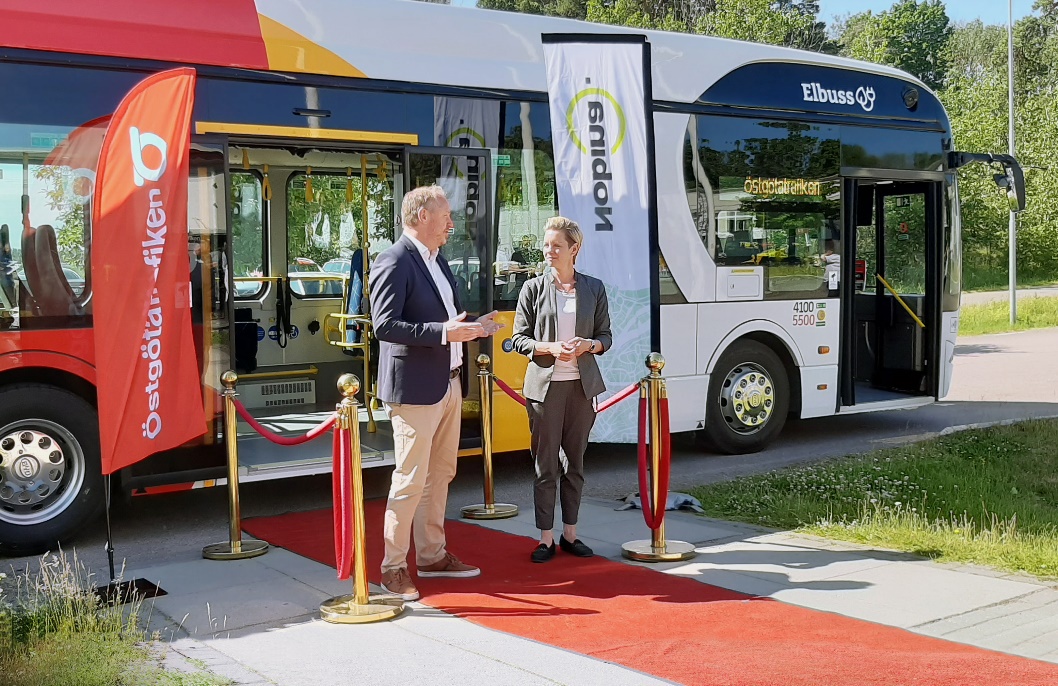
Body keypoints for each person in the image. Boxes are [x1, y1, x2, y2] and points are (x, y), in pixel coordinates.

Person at [370, 185, 503, 601]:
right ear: (421, 216)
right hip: (414, 389)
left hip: (449, 383)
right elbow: (384, 326)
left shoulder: (437, 260)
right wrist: (446, 332)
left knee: (441, 474)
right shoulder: (393, 260)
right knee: (410, 479)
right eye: (445, 216)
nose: (452, 224)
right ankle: (392, 568)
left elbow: (445, 320)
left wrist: (473, 326)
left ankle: (431, 556)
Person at [511, 216, 611, 563]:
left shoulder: (594, 288)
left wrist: (589, 346)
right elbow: (518, 339)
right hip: (545, 391)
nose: (549, 251)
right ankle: (545, 538)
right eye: (546, 244)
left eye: (556, 245)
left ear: (574, 249)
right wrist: (549, 348)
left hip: (582, 389)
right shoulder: (532, 289)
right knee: (545, 467)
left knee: (575, 464)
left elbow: (605, 337)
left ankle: (571, 534)